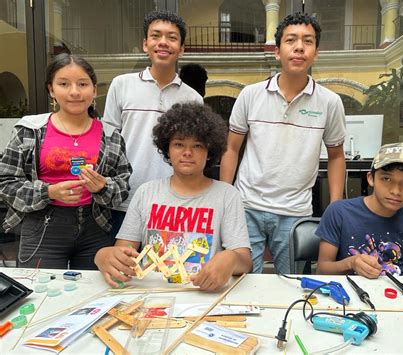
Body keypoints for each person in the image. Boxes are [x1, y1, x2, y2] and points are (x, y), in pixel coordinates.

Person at [219, 13, 346, 274]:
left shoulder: (329, 102)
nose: (299, 47)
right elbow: (231, 148)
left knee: (293, 285)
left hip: (295, 212)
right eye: (291, 40)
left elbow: (336, 156)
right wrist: (224, 197)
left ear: (316, 52)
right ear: (277, 51)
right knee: (242, 283)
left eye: (307, 41)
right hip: (247, 207)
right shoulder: (250, 95)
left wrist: (335, 205)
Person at [95, 103, 252, 291]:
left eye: (197, 145)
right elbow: (123, 252)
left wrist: (232, 258)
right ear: (166, 148)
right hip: (149, 295)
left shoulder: (227, 196)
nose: (187, 152)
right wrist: (104, 256)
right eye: (179, 144)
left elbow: (245, 261)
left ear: (210, 152)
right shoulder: (146, 192)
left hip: (202, 295)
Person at [0, 53, 132, 269]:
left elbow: (123, 185)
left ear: (94, 90)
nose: (74, 92)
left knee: (95, 297)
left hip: (96, 226)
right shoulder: (29, 130)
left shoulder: (111, 135)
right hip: (42, 228)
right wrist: (48, 192)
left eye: (82, 84)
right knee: (42, 295)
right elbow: (5, 183)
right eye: (64, 84)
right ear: (51, 90)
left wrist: (102, 187)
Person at [103, 10, 203, 237]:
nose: (163, 43)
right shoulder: (122, 85)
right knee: (124, 268)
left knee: (166, 270)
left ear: (182, 48)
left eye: (172, 37)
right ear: (145, 44)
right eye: (156, 36)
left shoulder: (194, 99)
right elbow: (108, 143)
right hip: (123, 201)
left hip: (173, 204)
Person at [316, 142, 403, 278]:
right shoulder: (339, 212)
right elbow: (322, 269)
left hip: (397, 295)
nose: (396, 191)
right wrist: (351, 263)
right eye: (386, 178)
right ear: (371, 178)